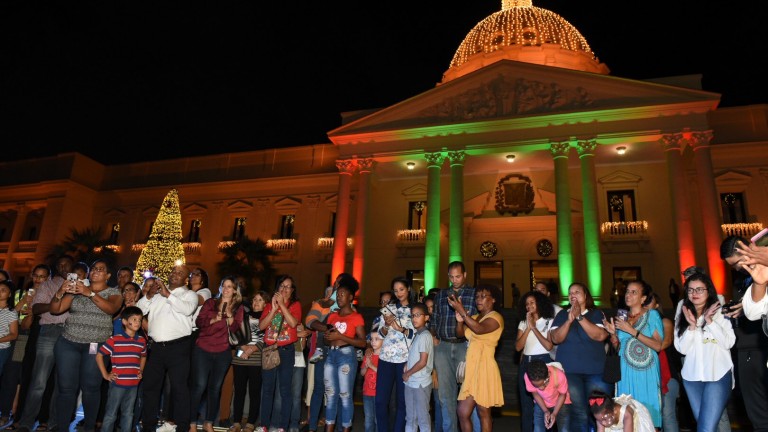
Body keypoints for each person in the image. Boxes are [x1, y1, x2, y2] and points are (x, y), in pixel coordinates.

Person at [48, 258, 122, 432]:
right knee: (66, 389)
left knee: (91, 387)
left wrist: (89, 293)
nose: (96, 271)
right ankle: (62, 427)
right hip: (68, 343)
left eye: (101, 269)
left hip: (95, 346)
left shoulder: (114, 292)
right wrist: (61, 291)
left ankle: (89, 427)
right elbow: (55, 309)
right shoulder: (76, 291)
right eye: (94, 268)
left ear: (108, 275)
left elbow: (111, 309)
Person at [137, 265, 198, 432]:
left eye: (180, 273)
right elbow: (137, 311)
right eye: (173, 272)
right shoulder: (156, 294)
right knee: (151, 388)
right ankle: (148, 426)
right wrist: (149, 296)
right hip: (156, 348)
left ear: (186, 279)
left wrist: (168, 295)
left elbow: (187, 310)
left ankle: (182, 427)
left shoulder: (190, 295)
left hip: (178, 347)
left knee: (179, 389)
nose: (175, 275)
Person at [16, 255, 74, 432]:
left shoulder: (80, 286)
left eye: (67, 264)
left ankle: (54, 423)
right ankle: (26, 422)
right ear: (57, 267)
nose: (63, 267)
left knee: (61, 383)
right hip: (49, 331)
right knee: (39, 381)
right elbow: (36, 308)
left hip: (71, 334)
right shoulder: (48, 285)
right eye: (60, 264)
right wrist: (57, 301)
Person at [673, 268, 735, 431]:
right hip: (691, 378)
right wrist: (692, 326)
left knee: (706, 428)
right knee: (705, 426)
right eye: (691, 290)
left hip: (718, 375)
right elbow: (682, 349)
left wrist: (710, 321)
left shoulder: (719, 308)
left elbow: (729, 342)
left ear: (709, 290)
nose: (695, 293)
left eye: (699, 289)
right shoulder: (684, 311)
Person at [719, 235, 768, 431]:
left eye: (738, 263)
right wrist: (743, 307)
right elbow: (755, 310)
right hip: (751, 346)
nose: (737, 268)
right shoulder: (746, 279)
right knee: (758, 411)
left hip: (757, 346)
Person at [549, 282, 611, 432]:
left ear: (585, 296)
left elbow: (600, 335)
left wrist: (580, 318)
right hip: (570, 372)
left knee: (601, 411)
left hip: (596, 372)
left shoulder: (596, 313)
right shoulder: (562, 314)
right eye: (570, 293)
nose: (572, 295)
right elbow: (555, 338)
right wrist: (569, 320)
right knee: (579, 412)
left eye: (577, 292)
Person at [602, 280, 663, 429]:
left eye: (634, 292)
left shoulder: (652, 315)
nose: (628, 295)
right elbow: (618, 347)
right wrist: (613, 335)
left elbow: (657, 345)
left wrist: (631, 330)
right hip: (626, 373)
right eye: (627, 291)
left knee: (650, 416)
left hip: (646, 373)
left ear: (643, 298)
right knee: (626, 416)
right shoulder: (622, 318)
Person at [189, 276, 245, 432]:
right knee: (199, 386)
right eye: (223, 286)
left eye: (229, 286)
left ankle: (209, 423)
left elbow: (236, 330)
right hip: (203, 349)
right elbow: (199, 322)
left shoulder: (238, 308)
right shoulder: (210, 303)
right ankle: (192, 423)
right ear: (220, 288)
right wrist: (213, 319)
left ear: (234, 290)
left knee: (215, 388)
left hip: (223, 352)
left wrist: (229, 316)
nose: (226, 289)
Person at [448, 284, 504, 432]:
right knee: (462, 412)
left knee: (483, 412)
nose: (479, 299)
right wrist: (460, 320)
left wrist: (461, 310)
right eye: (477, 296)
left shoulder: (496, 317)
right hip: (472, 368)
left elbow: (479, 329)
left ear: (493, 300)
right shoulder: (473, 317)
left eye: (483, 296)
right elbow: (460, 334)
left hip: (485, 367)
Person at [429, 261, 477, 432]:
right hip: (442, 347)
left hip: (465, 347)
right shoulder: (441, 295)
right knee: (445, 395)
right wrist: (433, 336)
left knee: (469, 393)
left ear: (465, 275)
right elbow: (434, 319)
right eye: (451, 276)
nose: (455, 280)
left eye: (458, 276)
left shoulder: (474, 293)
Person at [322, 277, 366, 432]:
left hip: (346, 356)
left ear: (350, 298)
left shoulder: (356, 317)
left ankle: (346, 428)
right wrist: (328, 338)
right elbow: (328, 339)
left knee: (345, 395)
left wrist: (340, 336)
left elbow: (362, 342)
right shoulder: (332, 315)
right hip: (331, 355)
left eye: (342, 294)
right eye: (338, 295)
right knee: (330, 395)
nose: (339, 297)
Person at [258, 275, 302, 432]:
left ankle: (283, 426)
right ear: (277, 289)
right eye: (282, 286)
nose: (284, 289)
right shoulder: (269, 306)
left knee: (285, 390)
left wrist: (282, 306)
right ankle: (264, 425)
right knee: (268, 389)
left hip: (286, 351)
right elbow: (262, 326)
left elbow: (292, 323)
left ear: (292, 290)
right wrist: (274, 309)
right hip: (270, 350)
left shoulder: (295, 305)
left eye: (288, 286)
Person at [96, 306, 147, 432]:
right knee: (111, 414)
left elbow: (143, 356)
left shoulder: (141, 341)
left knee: (128, 413)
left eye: (139, 320)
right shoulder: (115, 340)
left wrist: (140, 371)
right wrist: (105, 375)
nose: (137, 322)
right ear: (124, 321)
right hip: (117, 384)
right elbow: (99, 355)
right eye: (134, 319)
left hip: (133, 384)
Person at [375, 276, 414, 432]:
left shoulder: (415, 309)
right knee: (380, 401)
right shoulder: (390, 308)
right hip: (385, 358)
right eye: (396, 290)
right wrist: (386, 325)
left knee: (401, 402)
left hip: (405, 360)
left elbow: (417, 334)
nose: (398, 293)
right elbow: (381, 334)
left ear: (408, 289)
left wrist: (400, 328)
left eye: (402, 289)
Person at [516, 290, 555, 432]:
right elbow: (518, 346)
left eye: (532, 302)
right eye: (527, 304)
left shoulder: (549, 321)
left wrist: (535, 328)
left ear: (540, 303)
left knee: (546, 404)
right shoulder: (522, 323)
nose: (529, 306)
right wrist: (528, 327)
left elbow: (549, 345)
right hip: (526, 362)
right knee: (526, 405)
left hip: (543, 361)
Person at [231, 291, 268, 432]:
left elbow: (268, 338)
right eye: (254, 300)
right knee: (239, 391)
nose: (256, 302)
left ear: (265, 303)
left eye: (259, 300)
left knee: (254, 392)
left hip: (256, 360)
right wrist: (243, 347)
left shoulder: (267, 318)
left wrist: (253, 349)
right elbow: (234, 334)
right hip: (240, 357)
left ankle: (251, 422)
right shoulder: (243, 317)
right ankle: (236, 422)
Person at [647, 293, 680, 432]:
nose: (645, 304)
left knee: (667, 415)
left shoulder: (665, 321)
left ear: (657, 305)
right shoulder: (636, 324)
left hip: (666, 376)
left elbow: (663, 344)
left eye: (649, 301)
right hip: (646, 376)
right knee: (649, 416)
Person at [403, 302, 434, 432]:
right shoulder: (418, 334)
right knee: (410, 417)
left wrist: (408, 373)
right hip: (411, 382)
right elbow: (415, 356)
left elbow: (422, 362)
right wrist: (407, 365)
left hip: (420, 383)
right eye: (412, 316)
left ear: (426, 317)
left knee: (422, 418)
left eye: (418, 315)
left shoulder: (425, 336)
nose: (414, 318)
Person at [524, 360, 570, 432]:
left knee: (564, 429)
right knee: (538, 428)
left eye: (543, 384)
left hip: (560, 401)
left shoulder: (559, 375)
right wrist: (545, 411)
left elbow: (562, 395)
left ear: (548, 374)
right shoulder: (528, 376)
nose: (541, 388)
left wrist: (554, 413)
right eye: (536, 386)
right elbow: (535, 393)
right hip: (541, 400)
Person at [588, 391, 655, 432]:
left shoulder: (626, 414)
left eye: (604, 419)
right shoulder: (600, 416)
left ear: (614, 411)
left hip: (632, 422)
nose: (603, 423)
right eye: (599, 421)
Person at [361, 331, 382, 432]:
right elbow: (362, 373)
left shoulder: (384, 357)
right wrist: (365, 366)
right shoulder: (368, 355)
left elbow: (383, 374)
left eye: (376, 339)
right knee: (368, 419)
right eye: (371, 339)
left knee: (378, 419)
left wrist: (371, 366)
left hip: (378, 393)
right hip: (367, 392)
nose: (373, 342)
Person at [0, 280, 18, 377]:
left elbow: (14, 334)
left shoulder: (11, 312)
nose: (0, 292)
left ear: (10, 294)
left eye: (3, 290)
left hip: (1, 348)